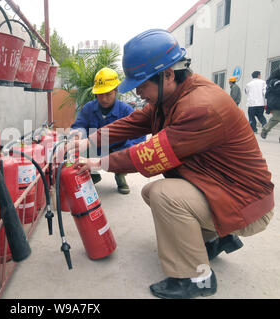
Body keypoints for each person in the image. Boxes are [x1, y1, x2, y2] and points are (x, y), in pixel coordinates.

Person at [68, 29, 274, 299]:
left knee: (165, 195)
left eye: (142, 84)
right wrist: (89, 140)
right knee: (152, 192)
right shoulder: (173, 96)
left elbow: (150, 154)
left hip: (246, 203)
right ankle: (216, 239)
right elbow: (135, 122)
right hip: (224, 189)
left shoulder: (200, 107)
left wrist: (97, 162)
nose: (139, 93)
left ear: (167, 74)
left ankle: (195, 277)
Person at [70, 67, 145, 195]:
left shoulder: (126, 111)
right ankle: (92, 175)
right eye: (100, 94)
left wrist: (123, 154)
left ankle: (120, 175)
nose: (104, 99)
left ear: (116, 91)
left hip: (118, 148)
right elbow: (79, 125)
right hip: (95, 148)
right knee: (79, 148)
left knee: (129, 153)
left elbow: (138, 138)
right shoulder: (88, 108)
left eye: (108, 94)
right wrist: (77, 134)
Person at [261, 69, 280, 142]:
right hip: (276, 103)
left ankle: (265, 130)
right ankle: (265, 130)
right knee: (276, 118)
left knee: (276, 118)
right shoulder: (274, 82)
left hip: (275, 102)